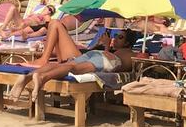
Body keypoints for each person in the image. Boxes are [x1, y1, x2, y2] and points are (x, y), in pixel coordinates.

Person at [8, 20, 139, 100]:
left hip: (99, 56)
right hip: (102, 57)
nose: (115, 38)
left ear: (128, 43)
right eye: (115, 35)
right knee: (73, 68)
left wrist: (106, 46)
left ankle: (29, 76)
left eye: (120, 37)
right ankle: (42, 78)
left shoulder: (130, 52)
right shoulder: (126, 53)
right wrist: (106, 46)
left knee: (65, 65)